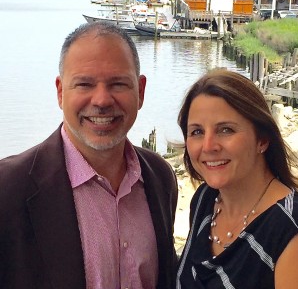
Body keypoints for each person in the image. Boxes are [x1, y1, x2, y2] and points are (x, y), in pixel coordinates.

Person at [0, 21, 178, 289]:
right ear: (60, 92)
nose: (102, 100)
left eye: (118, 84)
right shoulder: (8, 189)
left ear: (140, 91)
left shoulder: (160, 177)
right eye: (84, 84)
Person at [176, 69, 298, 289]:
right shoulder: (205, 200)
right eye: (197, 132)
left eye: (225, 130)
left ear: (262, 139)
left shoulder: (288, 230)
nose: (208, 146)